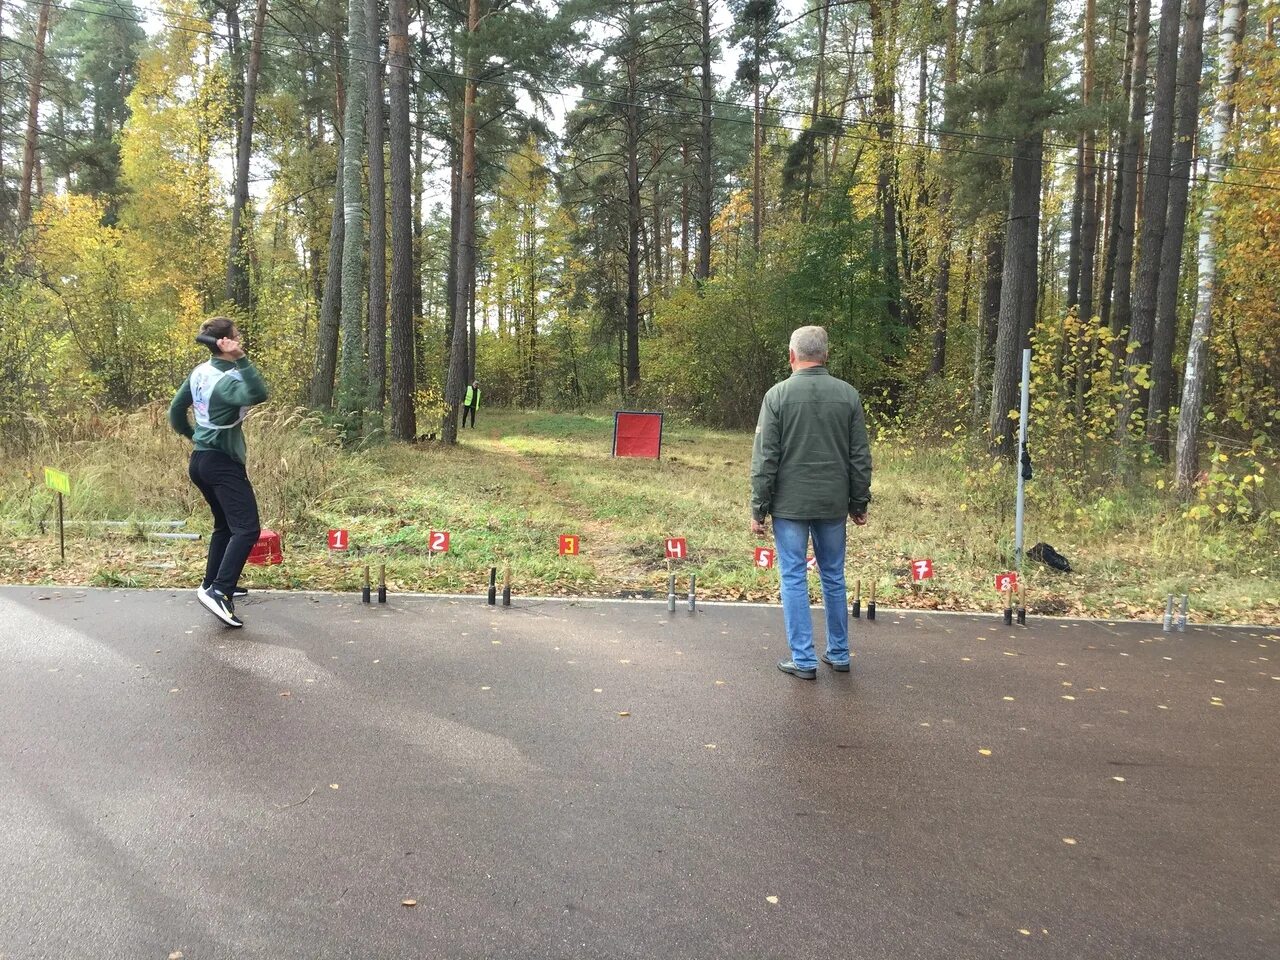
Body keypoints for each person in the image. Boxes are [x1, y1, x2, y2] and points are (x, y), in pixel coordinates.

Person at [750, 326, 872, 680]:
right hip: (833, 503)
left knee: (793, 577)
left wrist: (758, 507)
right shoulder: (848, 395)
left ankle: (803, 659)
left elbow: (765, 458)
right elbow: (859, 456)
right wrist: (859, 501)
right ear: (826, 355)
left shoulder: (777, 396)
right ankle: (838, 652)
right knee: (833, 575)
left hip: (789, 506)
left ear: (792, 355)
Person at [169, 317, 270, 628]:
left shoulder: (201, 372)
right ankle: (220, 591)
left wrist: (195, 437)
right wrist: (241, 357)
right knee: (247, 529)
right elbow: (258, 393)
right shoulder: (227, 382)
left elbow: (175, 411)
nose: (241, 339)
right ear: (226, 343)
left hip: (200, 460)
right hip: (222, 463)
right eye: (237, 337)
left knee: (225, 526)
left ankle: (210, 583)